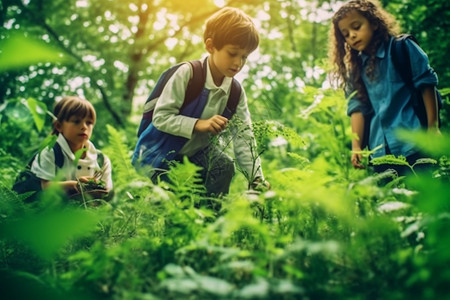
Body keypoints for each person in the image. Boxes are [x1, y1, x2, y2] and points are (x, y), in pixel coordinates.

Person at [133, 7, 269, 196]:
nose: (238, 63)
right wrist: (198, 124)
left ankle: (209, 221)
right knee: (173, 205)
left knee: (223, 167)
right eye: (232, 53)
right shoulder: (188, 74)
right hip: (161, 156)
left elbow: (244, 137)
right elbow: (161, 117)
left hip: (197, 155)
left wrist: (256, 178)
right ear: (211, 46)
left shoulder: (235, 92)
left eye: (244, 57)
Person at [329, 0, 440, 177]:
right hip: (380, 153)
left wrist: (433, 128)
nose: (352, 35)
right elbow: (357, 109)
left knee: (424, 199)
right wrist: (356, 147)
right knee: (392, 202)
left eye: (356, 27)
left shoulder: (402, 48)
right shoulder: (355, 71)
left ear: (373, 23)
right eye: (346, 34)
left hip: (415, 143)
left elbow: (426, 84)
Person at [30, 96, 113, 197]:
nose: (84, 127)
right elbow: (46, 187)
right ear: (59, 126)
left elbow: (107, 192)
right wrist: (76, 185)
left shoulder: (101, 160)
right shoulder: (50, 152)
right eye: (76, 121)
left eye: (89, 122)